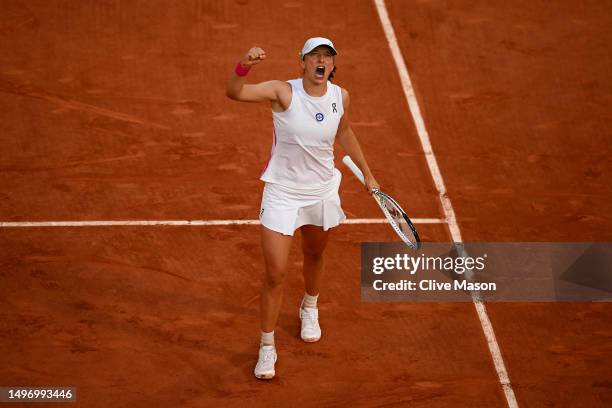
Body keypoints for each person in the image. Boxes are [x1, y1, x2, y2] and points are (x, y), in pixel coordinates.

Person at [226, 37, 379, 380]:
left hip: (321, 191)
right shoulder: (283, 92)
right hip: (282, 192)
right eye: (315, 56)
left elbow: (345, 132)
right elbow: (235, 93)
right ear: (303, 62)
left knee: (314, 254)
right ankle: (267, 346)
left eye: (327, 57)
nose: (321, 61)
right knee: (275, 272)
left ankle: (310, 306)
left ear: (333, 65)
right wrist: (244, 66)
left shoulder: (342, 97)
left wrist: (368, 173)